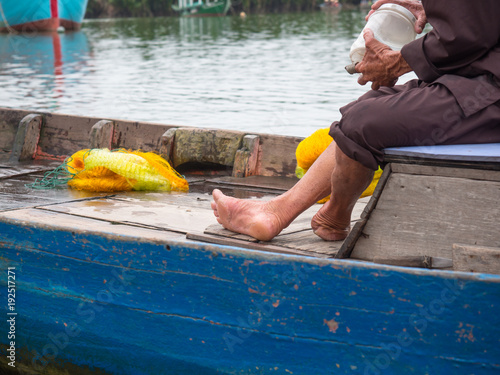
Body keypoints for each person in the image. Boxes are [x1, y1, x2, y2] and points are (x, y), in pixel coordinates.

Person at [211, 0, 500, 242]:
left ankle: (335, 217)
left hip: (490, 89)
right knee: (369, 105)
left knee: (363, 122)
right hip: (479, 77)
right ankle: (278, 210)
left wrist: (399, 61)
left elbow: (467, 34)